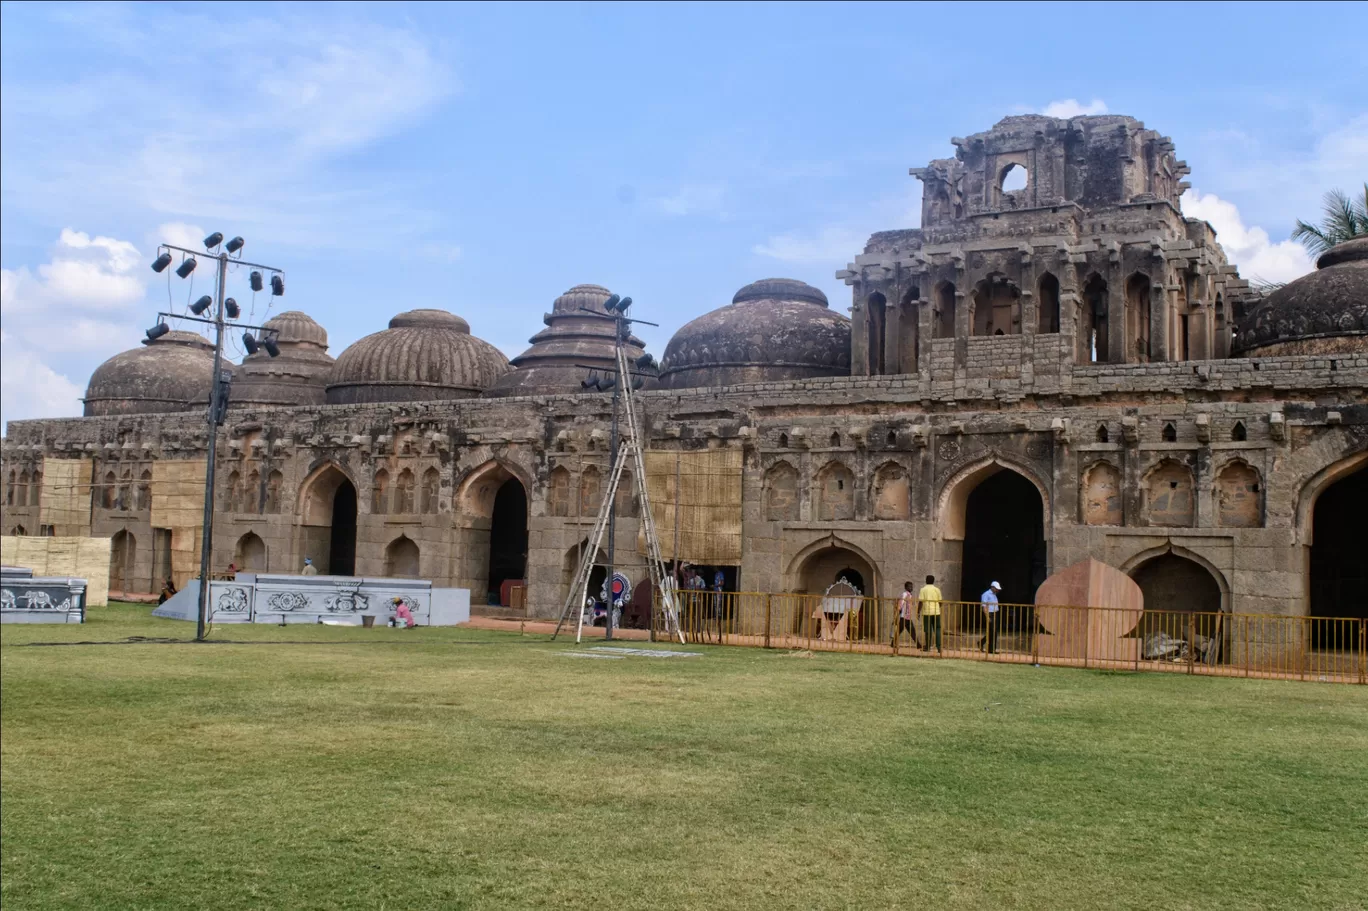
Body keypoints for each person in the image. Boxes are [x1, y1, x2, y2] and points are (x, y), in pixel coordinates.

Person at [918, 574, 943, 654]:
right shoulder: (937, 589)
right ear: (933, 581)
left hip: (927, 612)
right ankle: (939, 648)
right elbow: (940, 602)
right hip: (936, 612)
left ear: (926, 580)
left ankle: (928, 647)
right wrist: (937, 608)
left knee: (928, 630)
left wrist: (918, 611)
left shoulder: (923, 589)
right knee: (937, 629)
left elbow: (921, 602)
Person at [894, 580, 919, 648]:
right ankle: (893, 643)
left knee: (912, 631)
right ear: (906, 587)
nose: (911, 588)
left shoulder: (909, 595)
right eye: (909, 587)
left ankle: (918, 644)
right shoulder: (905, 594)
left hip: (908, 616)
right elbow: (901, 602)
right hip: (904, 616)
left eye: (911, 587)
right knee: (900, 630)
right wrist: (898, 610)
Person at [980, 580, 1002, 654]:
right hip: (990, 614)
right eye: (996, 588)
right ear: (992, 587)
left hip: (995, 613)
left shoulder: (994, 594)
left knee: (993, 632)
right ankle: (991, 649)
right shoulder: (986, 594)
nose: (997, 590)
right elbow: (984, 607)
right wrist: (987, 617)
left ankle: (983, 644)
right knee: (992, 631)